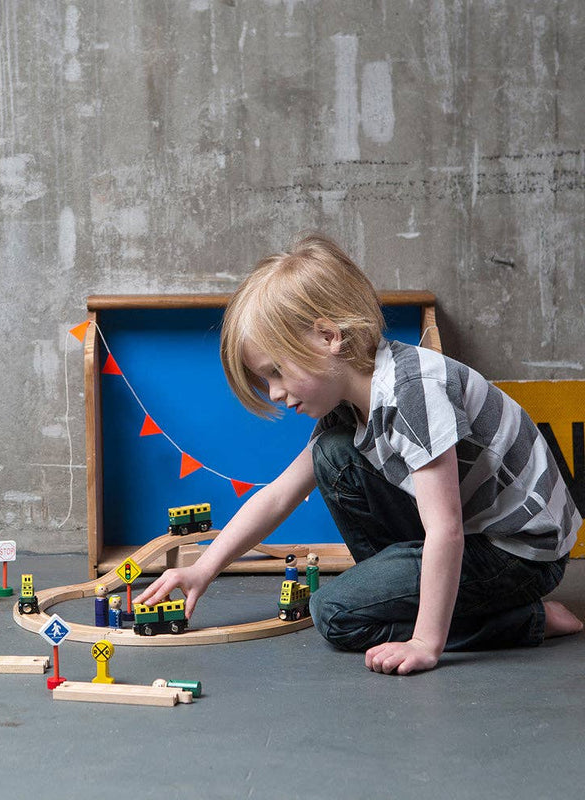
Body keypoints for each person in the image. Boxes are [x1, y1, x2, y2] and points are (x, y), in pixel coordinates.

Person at [135, 233, 583, 675]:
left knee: (333, 613)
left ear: (328, 336)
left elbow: (445, 529)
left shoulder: (412, 394)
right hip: (473, 534)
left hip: (520, 553)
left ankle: (523, 619)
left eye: (276, 372)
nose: (275, 394)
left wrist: (426, 643)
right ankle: (418, 598)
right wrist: (204, 569)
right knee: (332, 455)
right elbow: (277, 496)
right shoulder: (348, 410)